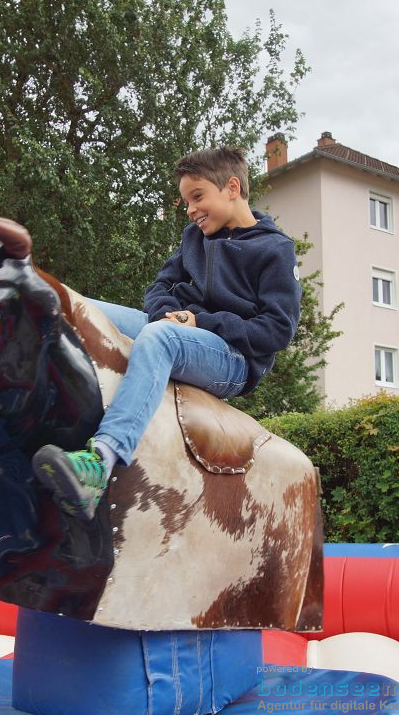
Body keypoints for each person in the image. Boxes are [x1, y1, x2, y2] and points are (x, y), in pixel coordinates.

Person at [33, 146, 301, 519]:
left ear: (232, 188)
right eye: (186, 201)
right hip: (176, 327)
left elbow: (277, 330)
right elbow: (160, 287)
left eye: (197, 196)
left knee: (160, 339)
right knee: (77, 307)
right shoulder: (194, 237)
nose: (190, 209)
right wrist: (167, 315)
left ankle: (101, 461)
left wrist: (199, 322)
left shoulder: (274, 249)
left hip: (232, 357)